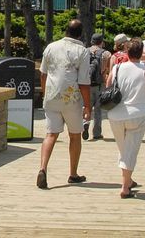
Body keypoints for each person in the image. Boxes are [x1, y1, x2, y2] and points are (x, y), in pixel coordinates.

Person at [36, 19, 92, 190]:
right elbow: (83, 82)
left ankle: (42, 168)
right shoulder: (82, 51)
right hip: (71, 98)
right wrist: (88, 105)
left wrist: (45, 93)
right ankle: (73, 174)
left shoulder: (51, 47)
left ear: (65, 30)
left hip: (52, 96)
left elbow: (43, 74)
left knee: (51, 134)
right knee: (75, 135)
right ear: (81, 33)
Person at [105, 38, 145, 199]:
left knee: (124, 149)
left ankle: (128, 180)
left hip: (115, 114)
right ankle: (125, 187)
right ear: (141, 53)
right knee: (130, 150)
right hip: (137, 113)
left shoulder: (117, 67)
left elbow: (108, 85)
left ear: (127, 52)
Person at [85, 32, 111, 142]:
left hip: (86, 84)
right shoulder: (106, 54)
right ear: (102, 42)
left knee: (87, 107)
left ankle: (85, 123)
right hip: (100, 84)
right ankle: (96, 133)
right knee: (98, 110)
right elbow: (109, 70)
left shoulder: (85, 52)